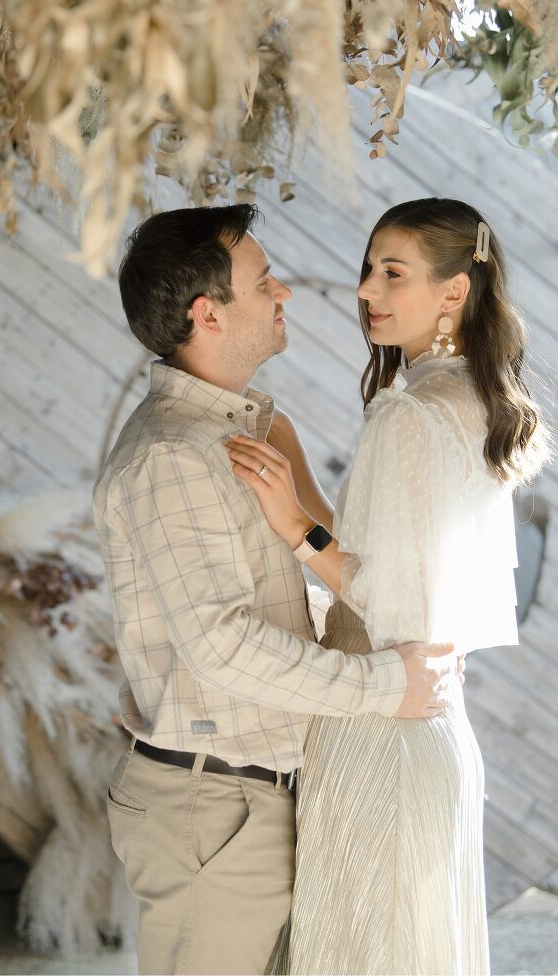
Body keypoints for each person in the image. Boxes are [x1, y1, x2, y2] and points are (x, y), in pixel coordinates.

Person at [92, 204, 457, 976]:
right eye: (264, 282)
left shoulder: (231, 436)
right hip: (215, 808)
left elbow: (265, 608)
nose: (283, 291)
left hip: (246, 799)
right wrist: (383, 684)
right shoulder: (172, 456)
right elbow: (221, 643)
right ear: (208, 314)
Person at [226, 198, 551, 976]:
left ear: (454, 291)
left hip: (380, 728)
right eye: (369, 268)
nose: (367, 289)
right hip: (435, 732)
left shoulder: (409, 412)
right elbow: (403, 564)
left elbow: (388, 600)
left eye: (393, 273)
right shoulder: (473, 398)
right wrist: (299, 478)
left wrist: (294, 526)